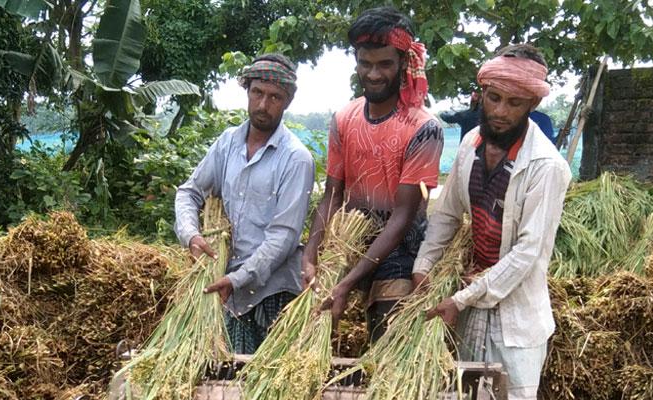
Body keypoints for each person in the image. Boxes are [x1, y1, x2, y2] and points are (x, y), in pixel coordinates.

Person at [414, 43, 572, 400]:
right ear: (480, 93)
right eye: (492, 96)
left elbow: (529, 255)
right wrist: (422, 268)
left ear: (530, 105)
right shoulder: (470, 147)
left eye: (513, 102)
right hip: (471, 305)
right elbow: (446, 215)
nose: (500, 110)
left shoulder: (546, 167)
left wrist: (460, 297)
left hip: (516, 317)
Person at [304, 6, 443, 340]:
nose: (374, 74)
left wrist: (348, 282)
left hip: (398, 252)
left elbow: (403, 217)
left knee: (387, 340)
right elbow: (332, 196)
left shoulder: (424, 129)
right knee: (310, 333)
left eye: (384, 64)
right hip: (346, 243)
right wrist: (309, 255)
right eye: (365, 64)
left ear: (403, 64)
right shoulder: (344, 119)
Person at [173, 54, 314, 354]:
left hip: (270, 295)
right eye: (257, 93)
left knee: (264, 386)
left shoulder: (295, 158)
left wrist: (237, 278)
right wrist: (191, 236)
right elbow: (189, 192)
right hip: (225, 290)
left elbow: (284, 237)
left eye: (274, 97)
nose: (263, 105)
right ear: (247, 91)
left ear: (287, 101)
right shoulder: (227, 143)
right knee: (220, 381)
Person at [442, 92, 556, 144]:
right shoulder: (469, 141)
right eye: (494, 98)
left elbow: (446, 116)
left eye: (514, 102)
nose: (500, 112)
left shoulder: (467, 114)